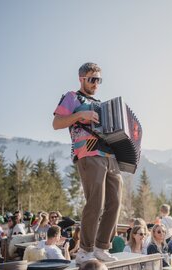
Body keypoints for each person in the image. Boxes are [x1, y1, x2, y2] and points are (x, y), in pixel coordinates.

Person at [53, 62, 123, 264]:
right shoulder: (72, 97)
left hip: (110, 155)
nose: (96, 83)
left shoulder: (101, 103)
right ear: (81, 79)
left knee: (115, 202)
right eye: (92, 79)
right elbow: (57, 123)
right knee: (96, 201)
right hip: (88, 152)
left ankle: (101, 247)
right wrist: (80, 115)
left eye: (98, 80)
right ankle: (85, 249)